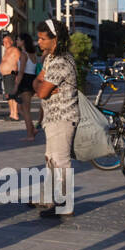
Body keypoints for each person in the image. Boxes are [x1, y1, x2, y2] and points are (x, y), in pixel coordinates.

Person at [32, 18, 78, 219]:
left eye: (42, 39)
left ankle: (65, 205)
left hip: (63, 117)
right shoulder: (50, 59)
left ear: (55, 39)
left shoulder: (61, 62)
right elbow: (38, 84)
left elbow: (41, 92)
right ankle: (50, 199)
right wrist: (43, 88)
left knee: (60, 162)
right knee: (51, 160)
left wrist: (43, 88)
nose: (39, 42)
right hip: (52, 117)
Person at [17, 33, 39, 140]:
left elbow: (21, 72)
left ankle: (30, 135)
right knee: (20, 108)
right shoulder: (33, 54)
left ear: (23, 42)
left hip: (25, 81)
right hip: (32, 80)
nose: (17, 41)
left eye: (18, 39)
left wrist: (16, 86)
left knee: (25, 110)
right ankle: (32, 129)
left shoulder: (23, 55)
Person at [0, 33, 24, 120]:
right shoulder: (6, 51)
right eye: (4, 42)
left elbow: (20, 63)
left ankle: (15, 114)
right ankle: (12, 114)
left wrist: (18, 75)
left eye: (7, 42)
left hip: (12, 75)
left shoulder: (15, 50)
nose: (5, 44)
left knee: (13, 95)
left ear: (11, 42)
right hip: (6, 76)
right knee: (9, 95)